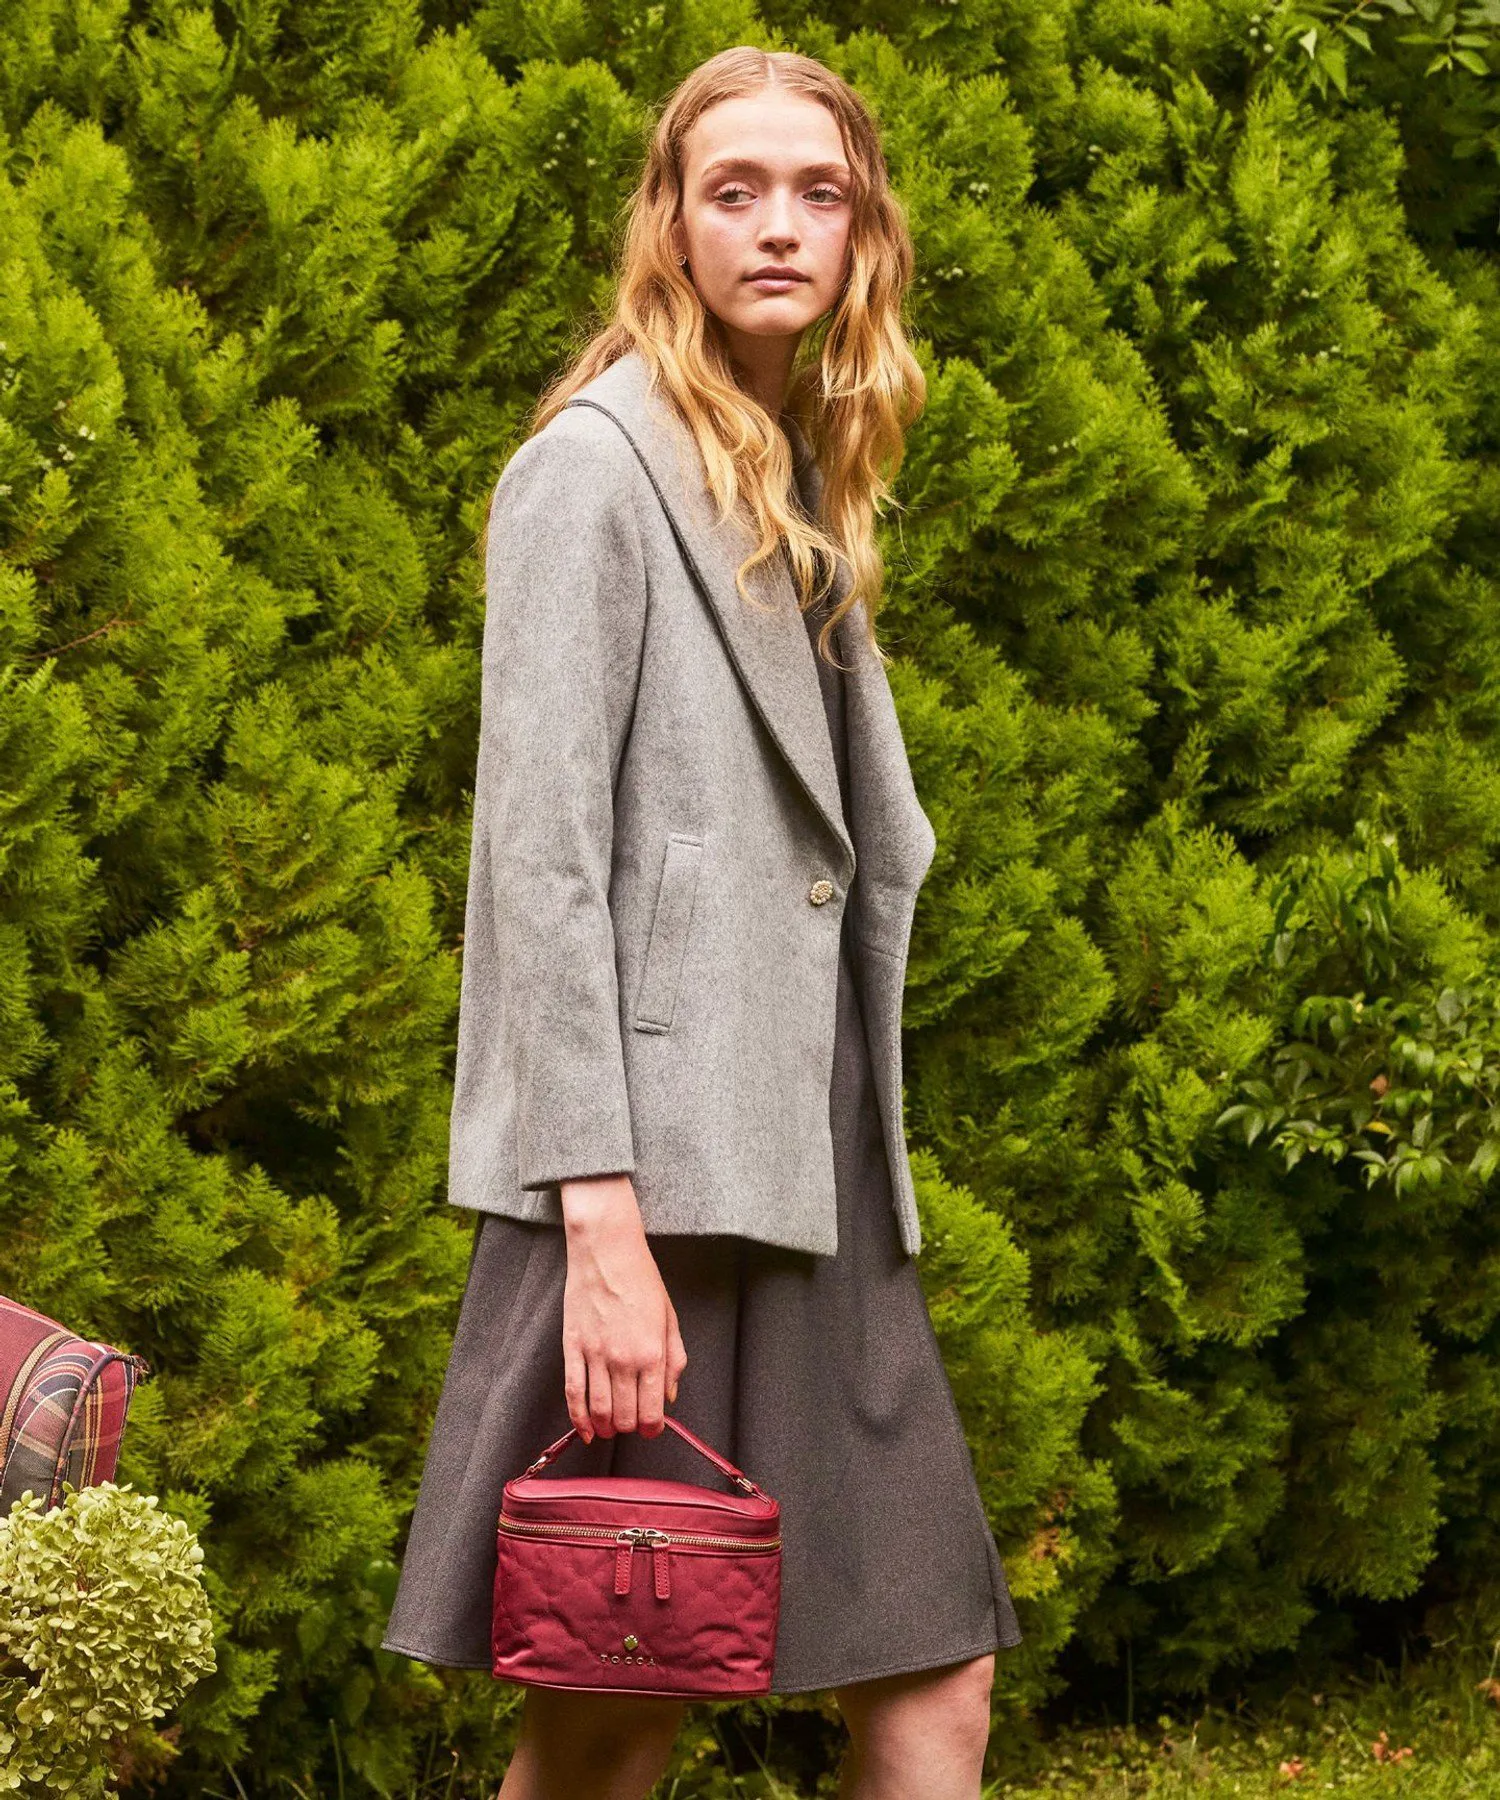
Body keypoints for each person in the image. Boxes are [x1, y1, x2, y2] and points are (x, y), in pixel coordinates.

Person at [380, 44, 1022, 1800]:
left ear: (865, 230)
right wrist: (601, 1225)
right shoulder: (595, 468)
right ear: (669, 223)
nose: (779, 227)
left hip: (817, 1172)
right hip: (650, 1186)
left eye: (819, 193)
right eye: (734, 191)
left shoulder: (792, 469)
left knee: (935, 1672)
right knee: (615, 1707)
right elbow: (538, 865)